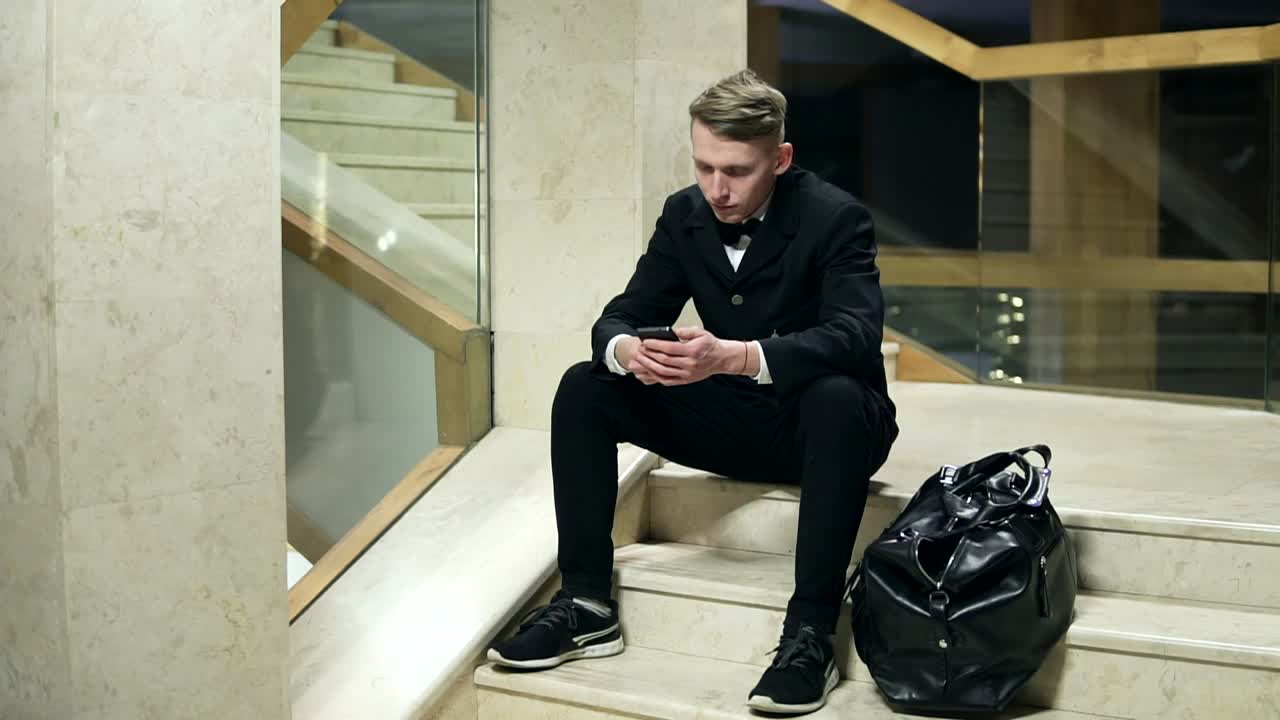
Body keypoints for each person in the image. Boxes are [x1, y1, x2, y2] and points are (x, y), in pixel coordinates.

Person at [488, 69, 898, 716]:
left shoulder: (836, 217)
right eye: (704, 166)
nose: (717, 189)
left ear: (781, 159)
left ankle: (810, 633)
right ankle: (587, 603)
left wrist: (736, 356)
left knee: (837, 397)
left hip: (825, 428)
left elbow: (853, 335)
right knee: (585, 385)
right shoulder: (685, 213)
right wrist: (632, 351)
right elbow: (619, 315)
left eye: (736, 170)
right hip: (733, 423)